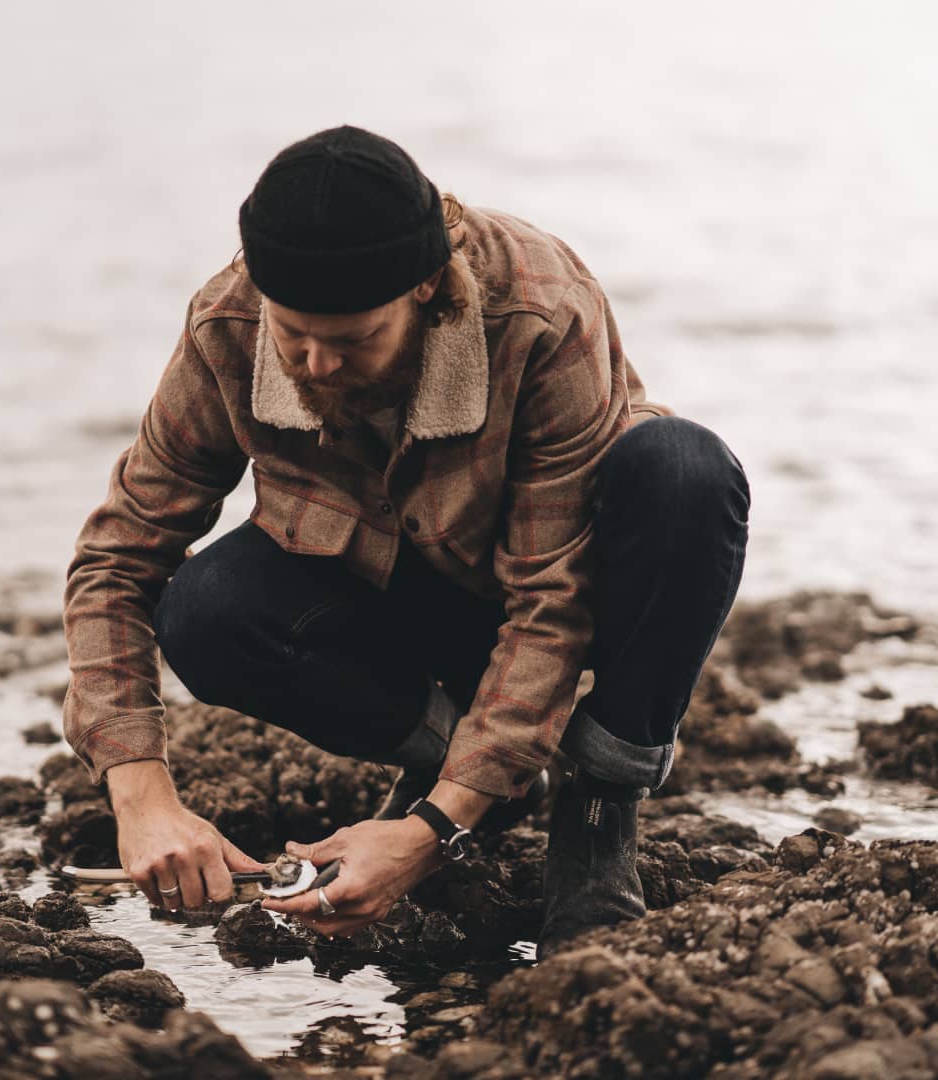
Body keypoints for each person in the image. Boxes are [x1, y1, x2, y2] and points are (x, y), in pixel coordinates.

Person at [62, 125, 750, 960]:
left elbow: (549, 601)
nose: (315, 365)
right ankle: (476, 773)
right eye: (294, 336)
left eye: (351, 340)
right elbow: (119, 555)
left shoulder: (541, 307)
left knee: (687, 472)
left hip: (555, 576)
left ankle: (597, 811)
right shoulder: (229, 324)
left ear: (426, 289)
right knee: (205, 610)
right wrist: (142, 795)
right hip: (395, 592)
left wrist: (425, 834)